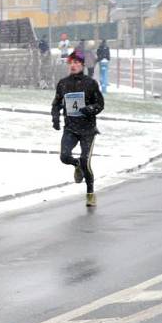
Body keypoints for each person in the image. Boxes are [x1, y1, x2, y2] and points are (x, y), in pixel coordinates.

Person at [51, 50, 105, 207]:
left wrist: (90, 109)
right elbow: (56, 103)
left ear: (82, 64)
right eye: (71, 63)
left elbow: (100, 104)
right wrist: (55, 117)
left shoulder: (90, 83)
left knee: (85, 160)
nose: (73, 65)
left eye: (76, 63)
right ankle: (77, 166)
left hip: (88, 130)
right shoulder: (63, 83)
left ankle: (90, 193)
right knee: (64, 156)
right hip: (71, 129)